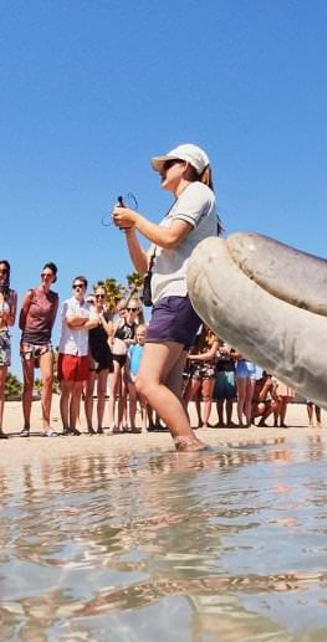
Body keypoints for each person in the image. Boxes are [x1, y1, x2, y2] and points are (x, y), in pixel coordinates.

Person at [112, 143, 220, 452]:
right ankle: (187, 461)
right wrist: (130, 232)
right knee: (170, 388)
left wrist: (136, 218)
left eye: (166, 165)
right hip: (174, 300)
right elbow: (145, 266)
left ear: (184, 166)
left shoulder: (197, 194)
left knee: (146, 382)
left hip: (177, 297)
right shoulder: (176, 209)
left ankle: (193, 447)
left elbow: (171, 239)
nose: (161, 171)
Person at [18, 262, 60, 437]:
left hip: (44, 342)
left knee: (48, 380)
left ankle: (46, 424)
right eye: (43, 275)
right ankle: (26, 425)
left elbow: (52, 320)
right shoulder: (31, 293)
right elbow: (22, 319)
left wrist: (44, 338)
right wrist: (28, 336)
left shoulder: (54, 298)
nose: (45, 278)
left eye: (48, 275)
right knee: (28, 384)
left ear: (54, 278)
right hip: (28, 340)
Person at [57, 276, 95, 436]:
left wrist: (80, 323)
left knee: (78, 390)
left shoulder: (89, 306)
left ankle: (73, 426)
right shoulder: (67, 304)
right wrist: (84, 321)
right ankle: (66, 426)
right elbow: (70, 321)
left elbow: (95, 322)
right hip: (68, 350)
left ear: (85, 288)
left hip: (83, 352)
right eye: (75, 286)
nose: (77, 288)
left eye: (80, 286)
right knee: (66, 390)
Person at [84, 284, 115, 435]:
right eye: (97, 296)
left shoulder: (107, 315)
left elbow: (110, 332)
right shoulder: (88, 312)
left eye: (102, 296)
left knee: (102, 391)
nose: (100, 298)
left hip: (104, 351)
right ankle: (89, 424)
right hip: (91, 350)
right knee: (89, 390)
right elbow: (85, 330)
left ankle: (100, 425)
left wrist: (102, 317)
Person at [110, 297, 141, 433]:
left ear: (137, 311)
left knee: (123, 392)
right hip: (117, 355)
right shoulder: (120, 322)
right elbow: (110, 338)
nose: (130, 312)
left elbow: (138, 341)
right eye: (129, 310)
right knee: (113, 390)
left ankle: (122, 422)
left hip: (127, 358)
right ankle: (112, 422)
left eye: (133, 310)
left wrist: (130, 341)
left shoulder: (135, 326)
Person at [0, 260, 16, 438]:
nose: (1, 275)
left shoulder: (11, 295)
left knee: (0, 384)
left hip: (3, 337)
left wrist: (6, 310)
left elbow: (11, 322)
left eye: (4, 272)